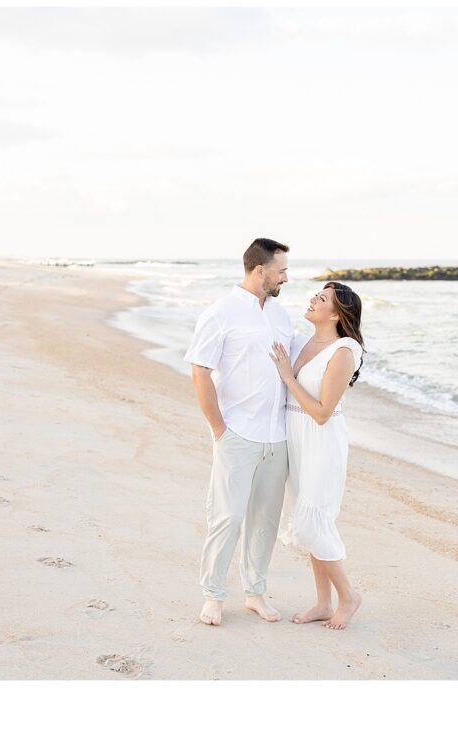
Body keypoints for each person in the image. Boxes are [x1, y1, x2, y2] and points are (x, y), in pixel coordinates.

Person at [184, 238, 293, 626]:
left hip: (276, 436)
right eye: (281, 271)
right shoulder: (221, 312)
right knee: (227, 517)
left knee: (265, 520)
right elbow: (200, 370)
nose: (286, 277)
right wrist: (219, 429)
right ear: (260, 271)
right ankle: (212, 596)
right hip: (238, 434)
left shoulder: (281, 315)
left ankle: (255, 593)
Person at [270, 281, 365, 630]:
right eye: (317, 294)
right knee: (306, 521)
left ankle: (348, 596)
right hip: (296, 437)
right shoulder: (302, 341)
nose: (313, 299)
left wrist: (287, 377)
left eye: (322, 298)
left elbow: (324, 412)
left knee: (315, 520)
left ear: (337, 314)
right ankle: (324, 602)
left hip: (321, 440)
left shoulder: (343, 351)